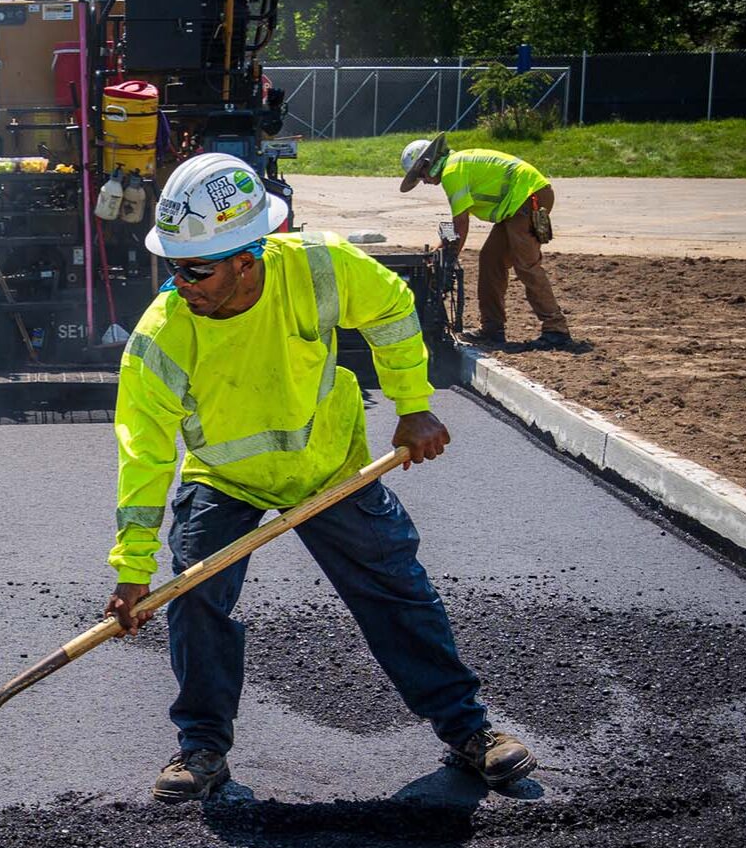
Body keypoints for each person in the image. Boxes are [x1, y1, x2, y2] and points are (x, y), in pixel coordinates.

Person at [103, 152, 537, 802]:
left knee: (394, 589)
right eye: (174, 265)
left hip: (326, 468)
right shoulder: (162, 336)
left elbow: (391, 305)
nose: (179, 281)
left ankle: (469, 731)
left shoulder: (316, 267)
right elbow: (143, 454)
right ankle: (202, 748)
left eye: (195, 268)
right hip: (223, 477)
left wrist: (413, 404)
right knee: (195, 596)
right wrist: (133, 571)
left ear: (247, 260)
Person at [400, 133, 570, 349]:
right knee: (490, 260)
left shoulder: (452, 171)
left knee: (526, 264)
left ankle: (556, 329)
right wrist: (441, 247)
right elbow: (458, 225)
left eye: (420, 174)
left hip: (529, 195)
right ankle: (492, 329)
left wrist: (448, 258)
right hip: (516, 203)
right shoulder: (455, 165)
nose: (423, 181)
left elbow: (460, 224)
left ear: (427, 162)